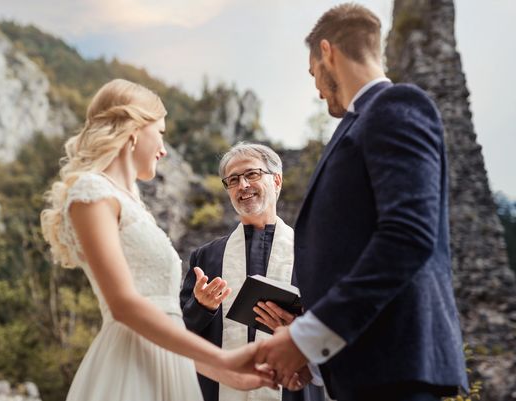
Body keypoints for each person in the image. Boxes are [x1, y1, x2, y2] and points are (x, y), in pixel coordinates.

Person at [254, 4, 468, 401]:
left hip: (399, 373)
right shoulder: (356, 127)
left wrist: (306, 336)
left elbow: (408, 236)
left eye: (313, 71)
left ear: (327, 51)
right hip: (365, 374)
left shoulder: (395, 106)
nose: (317, 87)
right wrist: (314, 359)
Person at [40, 79, 275, 401]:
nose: (164, 149)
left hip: (167, 365)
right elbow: (123, 305)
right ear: (134, 130)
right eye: (161, 133)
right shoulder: (91, 192)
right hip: (128, 367)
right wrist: (221, 357)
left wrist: (225, 374)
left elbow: (166, 317)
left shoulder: (134, 206)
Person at [180, 142, 324, 401]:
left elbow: (334, 323)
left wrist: (297, 328)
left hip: (293, 389)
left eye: (252, 174)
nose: (242, 185)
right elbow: (180, 335)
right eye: (233, 180)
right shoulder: (206, 257)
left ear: (277, 180)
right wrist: (201, 306)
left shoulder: (313, 252)